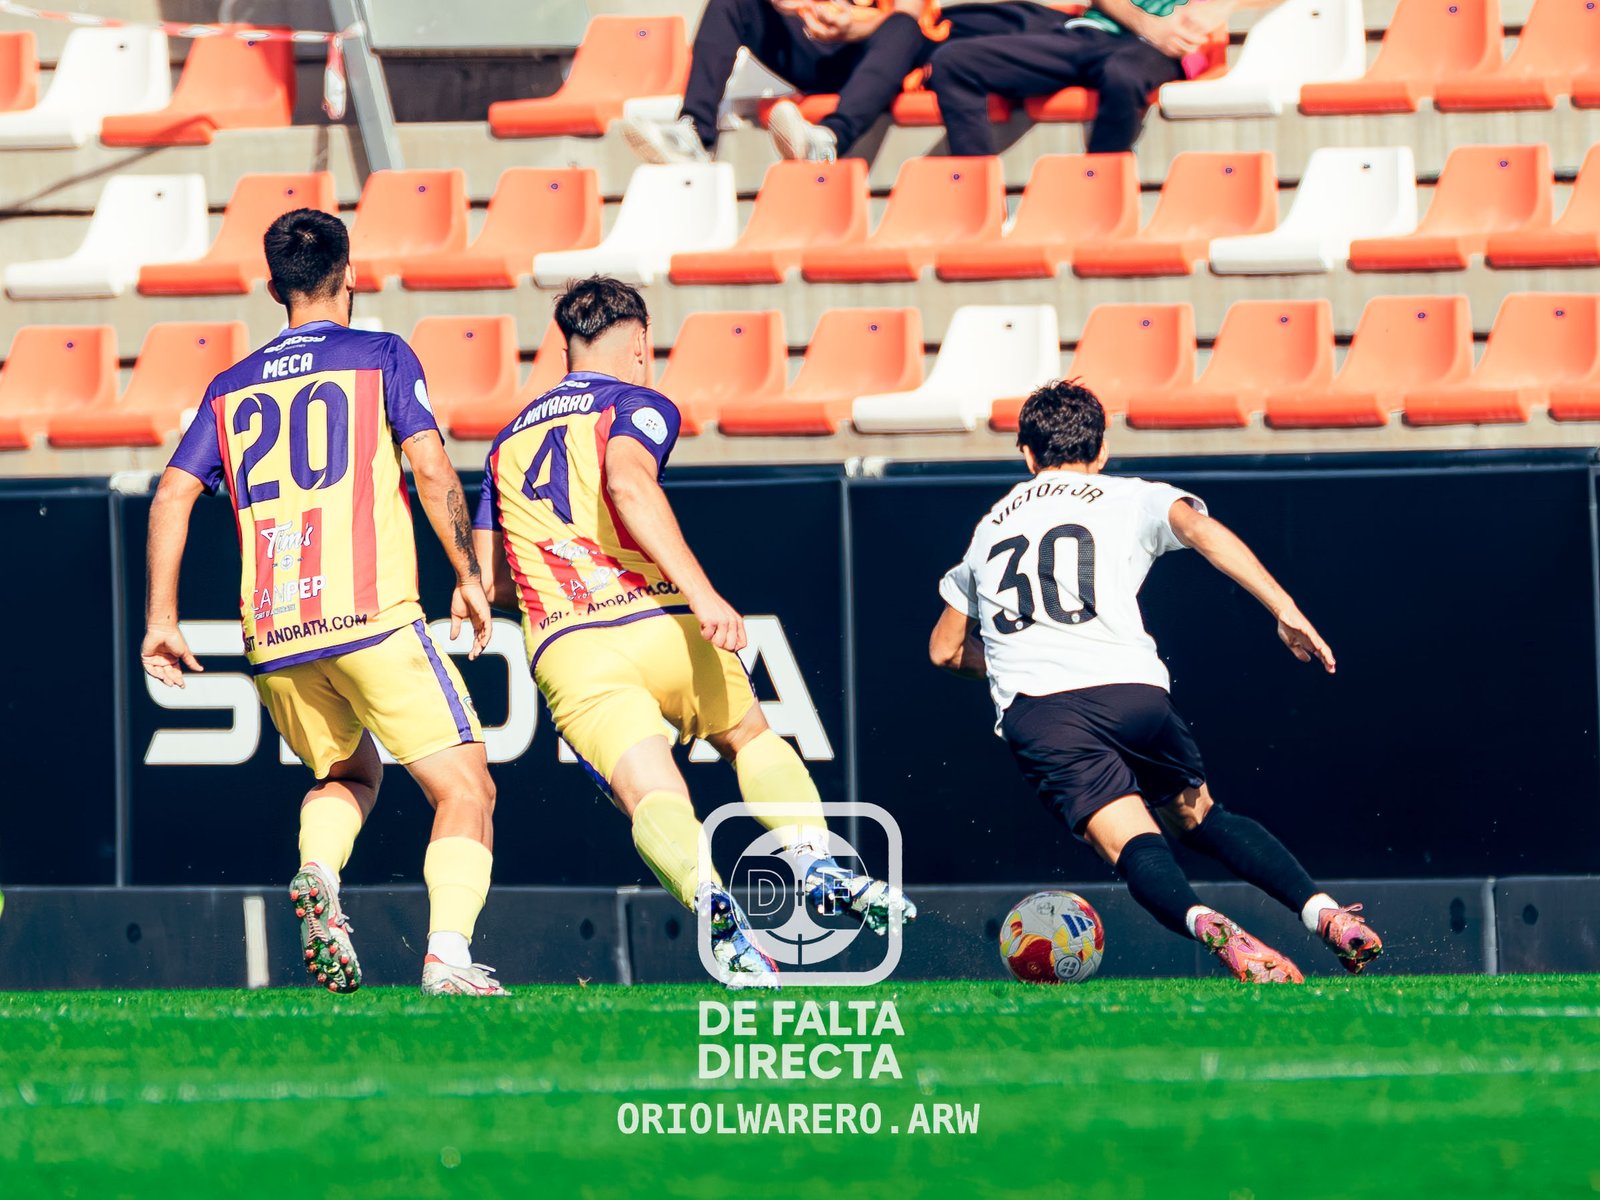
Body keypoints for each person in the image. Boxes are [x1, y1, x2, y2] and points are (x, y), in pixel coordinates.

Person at [474, 276, 916, 988]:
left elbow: (493, 580)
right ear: (641, 343)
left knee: (652, 792)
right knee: (749, 736)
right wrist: (703, 592)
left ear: (566, 344)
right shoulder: (636, 402)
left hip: (570, 645)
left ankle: (715, 906)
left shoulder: (506, 443)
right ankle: (815, 863)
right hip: (659, 619)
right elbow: (628, 483)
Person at [141, 209, 507, 998]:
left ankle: (318, 871)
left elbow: (171, 494)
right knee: (467, 789)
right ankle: (446, 955)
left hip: (275, 631)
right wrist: (469, 573)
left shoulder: (230, 386)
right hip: (370, 614)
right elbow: (432, 470)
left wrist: (162, 621)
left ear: (273, 288)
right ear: (352, 273)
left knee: (350, 771)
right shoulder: (380, 356)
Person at [928, 380, 1382, 983]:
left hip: (1044, 712)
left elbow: (944, 649)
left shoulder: (989, 529)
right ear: (1102, 450)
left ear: (1026, 454)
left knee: (1133, 845)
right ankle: (1324, 913)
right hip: (1133, 692)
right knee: (1202, 817)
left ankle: (1209, 925)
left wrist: (1017, 655)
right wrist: (1283, 607)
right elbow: (1200, 530)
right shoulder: (1129, 495)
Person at [622, 0, 1022, 164]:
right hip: (816, 49)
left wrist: (851, 23)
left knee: (901, 27)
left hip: (884, 59)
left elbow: (913, 15)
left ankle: (827, 141)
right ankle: (694, 133)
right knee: (734, 1)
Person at [928, 0, 1280, 157]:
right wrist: (1148, 25)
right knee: (955, 62)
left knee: (1122, 75)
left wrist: (1222, 6)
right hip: (1090, 34)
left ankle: (1100, 183)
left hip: (1161, 51)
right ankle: (979, 197)